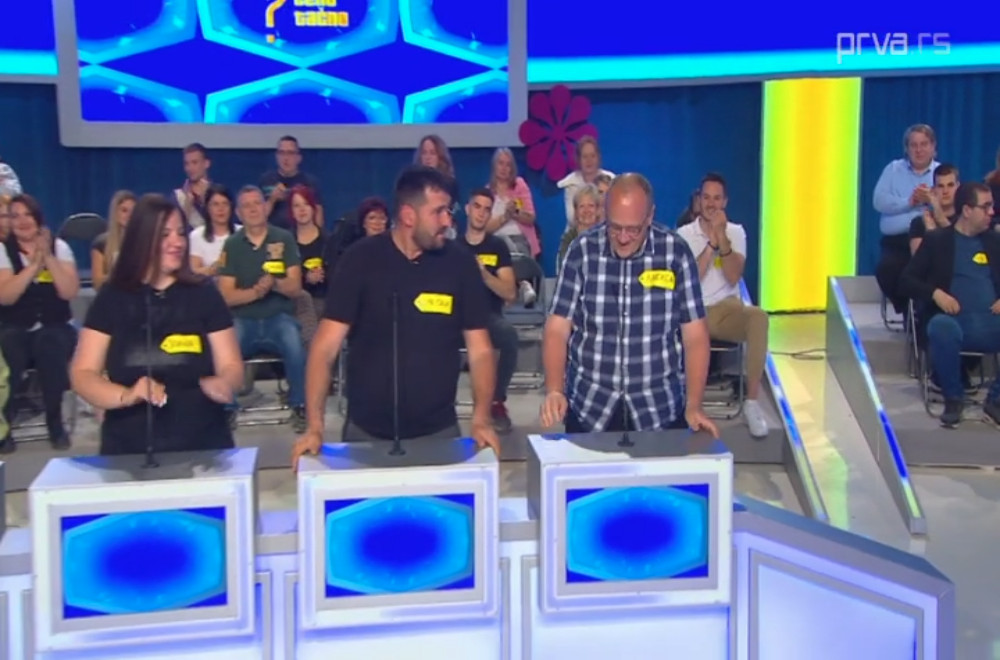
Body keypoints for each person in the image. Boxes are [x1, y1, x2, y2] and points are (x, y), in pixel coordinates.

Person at [291, 166, 500, 468]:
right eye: (438, 212)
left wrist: (481, 420)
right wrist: (314, 427)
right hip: (365, 433)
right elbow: (324, 348)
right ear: (408, 215)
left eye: (448, 211)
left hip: (439, 431)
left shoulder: (460, 264)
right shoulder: (360, 260)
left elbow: (480, 351)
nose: (447, 221)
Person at [539, 173, 718, 436]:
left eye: (633, 229)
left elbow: (695, 336)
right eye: (615, 227)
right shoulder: (582, 252)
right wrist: (555, 389)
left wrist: (694, 405)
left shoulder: (675, 254)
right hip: (591, 408)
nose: (623, 238)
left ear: (650, 216)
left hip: (658, 410)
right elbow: (557, 328)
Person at [70, 194, 243, 455]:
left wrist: (225, 383)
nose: (177, 242)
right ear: (141, 239)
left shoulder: (205, 293)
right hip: (129, 445)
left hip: (202, 441)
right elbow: (83, 374)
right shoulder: (112, 296)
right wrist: (125, 395)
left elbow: (232, 366)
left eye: (180, 233)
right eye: (164, 235)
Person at [677, 173, 769, 437]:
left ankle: (751, 403)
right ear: (699, 200)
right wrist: (711, 245)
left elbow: (733, 276)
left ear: (725, 202)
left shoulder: (736, 232)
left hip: (728, 311)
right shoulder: (684, 234)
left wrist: (723, 239)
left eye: (717, 198)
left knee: (758, 317)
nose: (711, 204)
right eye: (706, 198)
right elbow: (690, 280)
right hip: (696, 314)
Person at [899, 182, 999, 427]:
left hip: (991, 322)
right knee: (941, 327)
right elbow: (906, 280)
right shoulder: (938, 241)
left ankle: (995, 401)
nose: (992, 212)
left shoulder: (995, 242)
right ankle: (953, 399)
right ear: (967, 210)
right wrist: (936, 294)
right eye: (986, 206)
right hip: (954, 323)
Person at [217, 185, 307, 430]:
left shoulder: (284, 238)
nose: (253, 209)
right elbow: (226, 296)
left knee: (294, 343)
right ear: (238, 213)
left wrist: (274, 284)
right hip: (243, 319)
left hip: (278, 317)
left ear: (266, 207)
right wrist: (256, 292)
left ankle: (300, 405)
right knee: (225, 347)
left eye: (257, 203)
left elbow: (295, 287)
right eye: (246, 206)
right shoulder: (232, 245)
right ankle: (227, 409)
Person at [0, 194, 79, 452]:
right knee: (10, 347)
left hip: (56, 325)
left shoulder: (59, 247)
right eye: (15, 216)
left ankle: (55, 423)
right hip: (16, 326)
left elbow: (69, 292)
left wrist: (48, 258)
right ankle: (4, 425)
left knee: (50, 344)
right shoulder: (3, 250)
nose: (22, 221)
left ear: (38, 218)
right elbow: (6, 296)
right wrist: (33, 267)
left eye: (27, 215)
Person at [456, 188, 519, 433]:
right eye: (477, 207)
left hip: (487, 317)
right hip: (456, 318)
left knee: (509, 336)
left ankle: (495, 401)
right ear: (468, 209)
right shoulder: (453, 247)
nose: (481, 213)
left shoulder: (497, 247)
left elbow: (510, 293)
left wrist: (483, 275)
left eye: (486, 209)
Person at [873, 124, 939, 315]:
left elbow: (950, 206)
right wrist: (910, 202)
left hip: (930, 240)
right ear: (907, 148)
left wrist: (931, 201)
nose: (919, 150)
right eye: (913, 145)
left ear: (933, 146)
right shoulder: (893, 170)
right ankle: (908, 311)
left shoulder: (941, 173)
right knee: (887, 270)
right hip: (897, 242)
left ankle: (924, 311)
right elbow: (879, 201)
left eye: (924, 144)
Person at [91, 190, 136, 289]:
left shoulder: (145, 241)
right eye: (124, 210)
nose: (129, 215)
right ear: (115, 213)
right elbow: (97, 284)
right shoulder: (101, 243)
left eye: (133, 211)